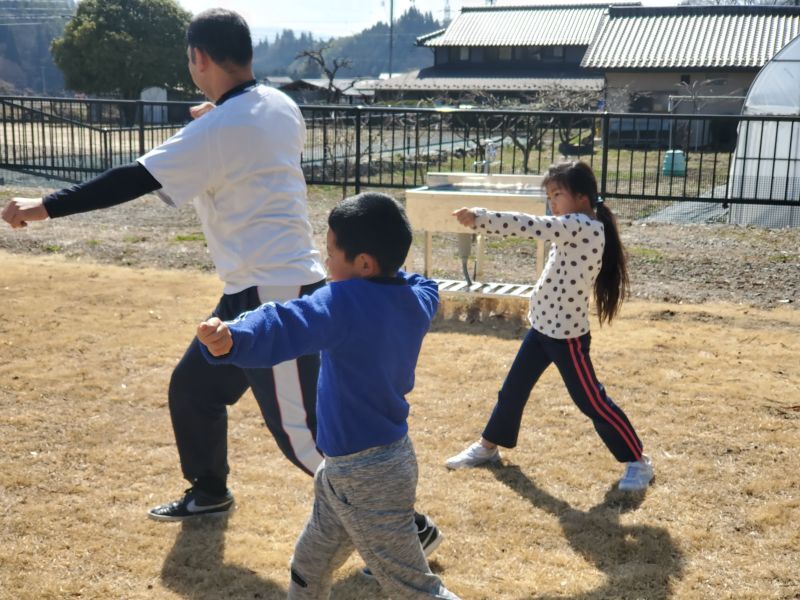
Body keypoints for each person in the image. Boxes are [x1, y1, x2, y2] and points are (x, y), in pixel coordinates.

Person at [0, 8, 441, 552]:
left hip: (273, 289)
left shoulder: (217, 128)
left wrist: (41, 206)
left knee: (305, 441)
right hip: (253, 286)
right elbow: (242, 137)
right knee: (195, 388)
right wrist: (216, 115)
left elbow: (131, 180)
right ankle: (209, 489)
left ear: (199, 58)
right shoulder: (277, 105)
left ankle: (408, 527)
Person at [197, 193, 460, 600]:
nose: (325, 261)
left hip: (364, 476)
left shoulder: (343, 303)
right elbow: (420, 281)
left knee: (414, 589)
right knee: (309, 568)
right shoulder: (416, 299)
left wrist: (233, 337)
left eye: (332, 251)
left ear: (364, 264)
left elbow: (287, 322)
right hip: (368, 465)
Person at [445, 161, 654, 492]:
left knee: (592, 402)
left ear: (583, 197)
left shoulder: (583, 227)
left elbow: (531, 225)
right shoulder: (574, 224)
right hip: (542, 329)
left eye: (558, 194)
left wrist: (482, 218)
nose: (552, 202)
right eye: (549, 195)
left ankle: (638, 461)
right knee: (512, 390)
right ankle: (488, 447)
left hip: (567, 338)